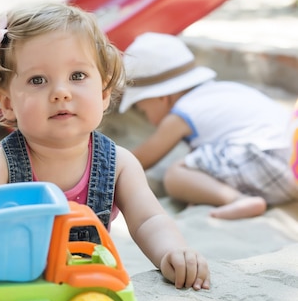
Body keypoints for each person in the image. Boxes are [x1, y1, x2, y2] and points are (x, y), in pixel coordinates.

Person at [0, 3, 210, 291]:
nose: (61, 92)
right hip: (17, 285)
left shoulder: (119, 163)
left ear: (104, 93)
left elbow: (149, 220)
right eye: (38, 80)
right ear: (9, 103)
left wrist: (171, 251)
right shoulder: (1, 165)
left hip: (85, 284)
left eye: (77, 76)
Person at [119, 32, 298, 220]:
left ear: (163, 98)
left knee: (175, 175)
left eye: (142, 110)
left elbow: (140, 159)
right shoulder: (221, 90)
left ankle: (238, 200)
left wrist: (106, 166)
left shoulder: (181, 114)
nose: (145, 117)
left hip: (261, 160)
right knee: (195, 164)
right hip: (289, 165)